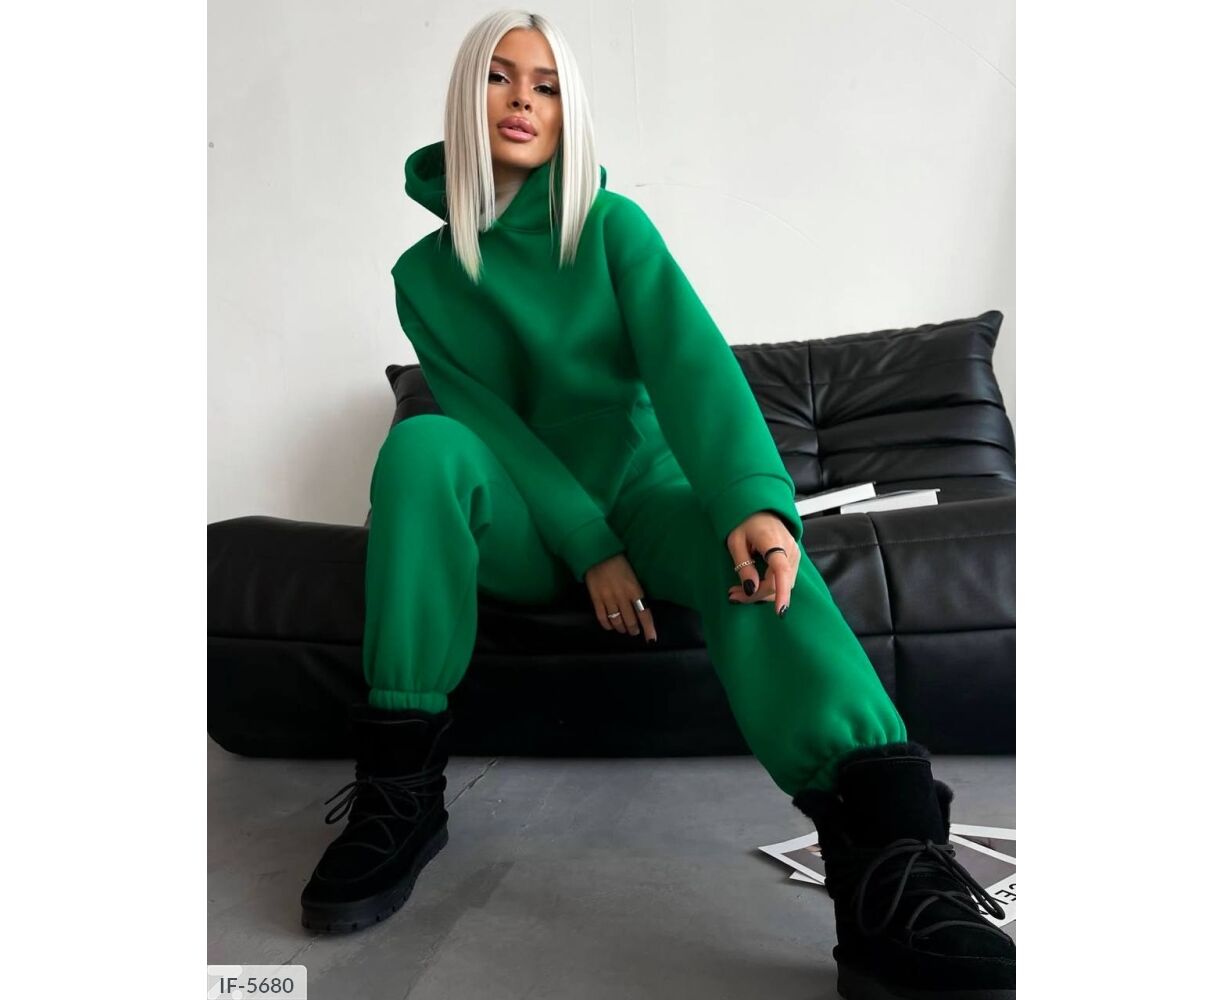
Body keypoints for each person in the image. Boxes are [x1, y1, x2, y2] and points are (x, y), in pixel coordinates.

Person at [299, 10, 1015, 999]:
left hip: (647, 493)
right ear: (466, 97)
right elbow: (492, 428)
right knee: (426, 445)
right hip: (523, 521)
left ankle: (890, 865)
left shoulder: (611, 227)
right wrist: (589, 546)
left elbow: (690, 365)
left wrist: (753, 501)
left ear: (568, 111)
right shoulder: (423, 275)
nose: (521, 100)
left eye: (547, 85)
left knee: (754, 560)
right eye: (500, 78)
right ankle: (399, 793)